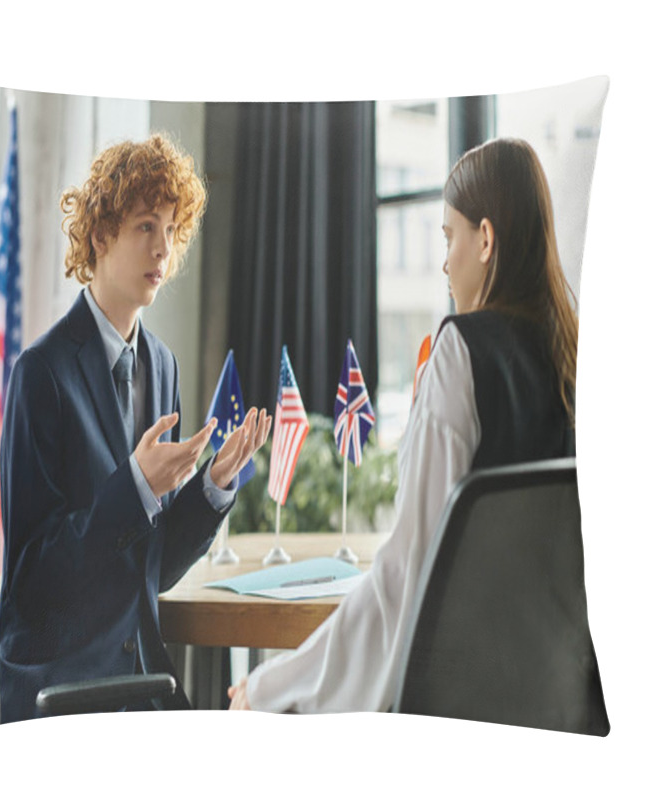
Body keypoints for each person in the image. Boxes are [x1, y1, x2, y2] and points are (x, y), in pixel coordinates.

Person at [228, 137, 577, 712]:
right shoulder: (572, 354)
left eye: (449, 237)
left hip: (461, 692)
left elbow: (410, 575)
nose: (444, 262)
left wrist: (269, 686)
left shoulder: (459, 351)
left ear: (485, 239)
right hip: (554, 690)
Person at [0, 134, 271, 723]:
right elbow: (32, 582)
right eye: (147, 226)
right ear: (100, 235)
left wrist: (212, 489)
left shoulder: (162, 365)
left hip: (142, 683)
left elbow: (153, 564)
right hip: (63, 689)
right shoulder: (40, 374)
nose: (163, 250)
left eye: (172, 231)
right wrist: (136, 488)